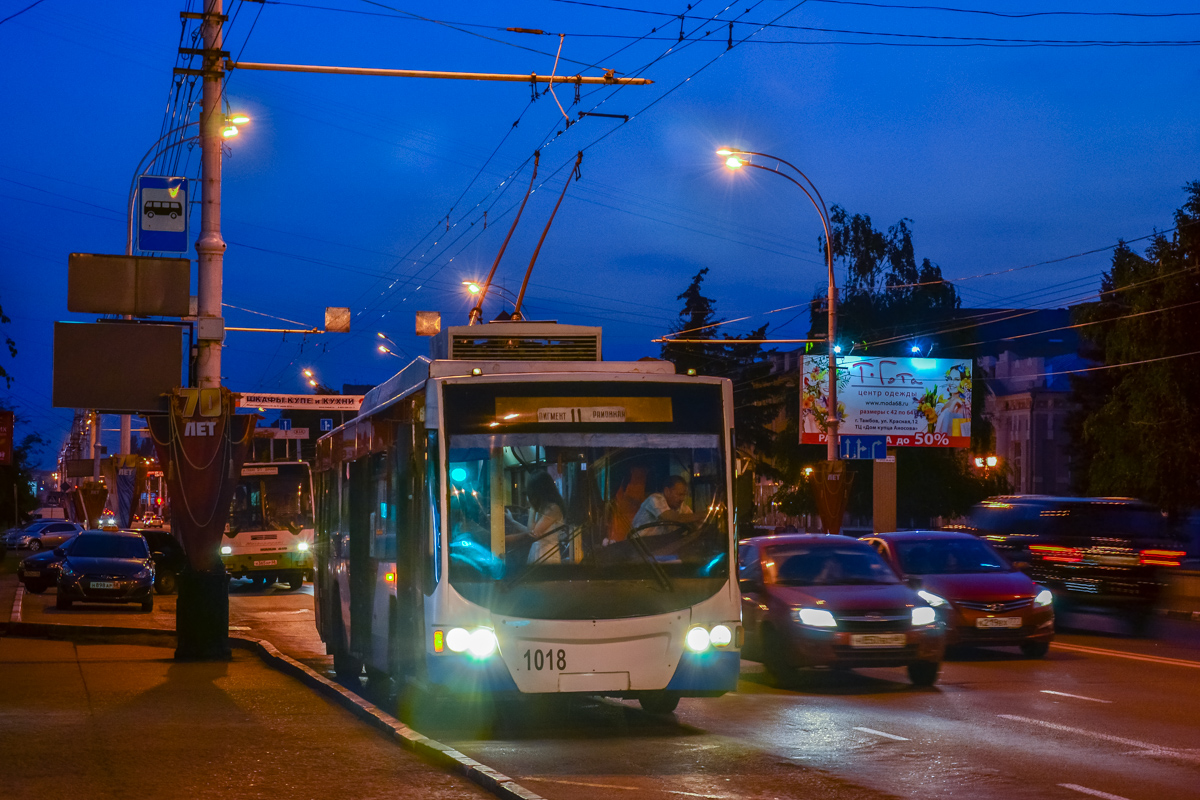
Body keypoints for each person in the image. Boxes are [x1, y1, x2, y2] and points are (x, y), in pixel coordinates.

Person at [506, 471, 567, 564]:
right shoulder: (543, 508)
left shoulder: (554, 509)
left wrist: (532, 507)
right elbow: (529, 532)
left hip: (548, 556)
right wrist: (512, 521)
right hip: (536, 553)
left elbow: (533, 532)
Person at [630, 475, 697, 536]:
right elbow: (674, 518)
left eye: (684, 495)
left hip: (659, 546)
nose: (682, 499)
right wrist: (704, 514)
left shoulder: (680, 506)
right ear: (667, 491)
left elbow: (692, 519)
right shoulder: (654, 500)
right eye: (679, 495)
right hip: (638, 545)